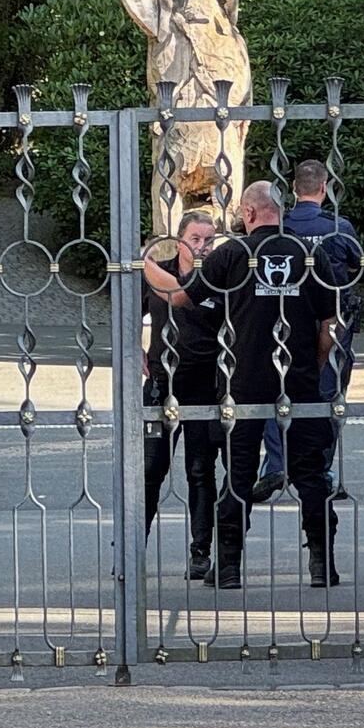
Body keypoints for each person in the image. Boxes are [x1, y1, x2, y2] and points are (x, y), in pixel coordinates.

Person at [147, 182, 340, 588]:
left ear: (249, 214)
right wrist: (314, 365)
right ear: (280, 211)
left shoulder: (234, 254)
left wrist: (141, 262)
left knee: (238, 474)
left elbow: (181, 298)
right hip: (298, 377)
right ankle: (323, 564)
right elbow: (329, 323)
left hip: (245, 380)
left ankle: (229, 567)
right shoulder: (309, 253)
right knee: (310, 473)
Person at [254, 160, 362, 503]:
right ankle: (320, 468)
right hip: (333, 321)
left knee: (277, 390)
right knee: (327, 396)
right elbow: (357, 266)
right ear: (325, 186)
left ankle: (275, 465)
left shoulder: (281, 226)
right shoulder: (339, 227)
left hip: (286, 321)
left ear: (293, 187)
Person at [141, 210, 222, 581]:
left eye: (209, 239)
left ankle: (200, 551)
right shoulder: (159, 270)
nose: (202, 246)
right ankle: (132, 547)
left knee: (201, 470)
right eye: (196, 239)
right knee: (149, 470)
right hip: (162, 380)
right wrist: (135, 349)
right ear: (180, 239)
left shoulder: (219, 276)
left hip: (204, 380)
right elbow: (127, 311)